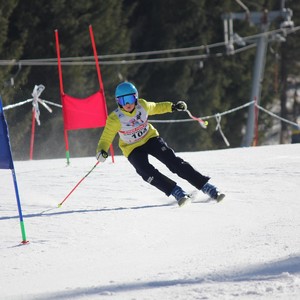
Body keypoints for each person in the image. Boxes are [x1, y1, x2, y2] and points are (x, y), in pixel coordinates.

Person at [96, 82, 225, 206]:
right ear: (118, 102)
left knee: (173, 162)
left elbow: (157, 107)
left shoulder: (142, 106)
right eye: (123, 101)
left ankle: (206, 186)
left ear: (136, 97)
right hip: (132, 149)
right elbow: (106, 138)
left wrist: (173, 106)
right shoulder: (115, 119)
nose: (128, 104)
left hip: (150, 139)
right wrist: (102, 151)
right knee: (145, 171)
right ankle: (176, 191)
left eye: (130, 98)